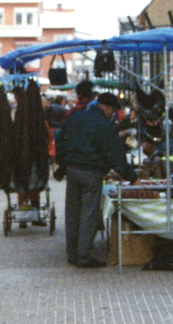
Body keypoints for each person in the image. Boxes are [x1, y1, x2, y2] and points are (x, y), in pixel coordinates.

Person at [55, 92, 137, 268]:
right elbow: (116, 156)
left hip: (72, 170)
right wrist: (131, 177)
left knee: (72, 213)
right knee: (88, 214)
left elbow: (60, 141)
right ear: (107, 107)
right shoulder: (104, 125)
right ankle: (84, 257)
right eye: (113, 111)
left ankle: (72, 253)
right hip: (91, 173)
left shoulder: (75, 117)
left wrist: (62, 165)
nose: (112, 115)